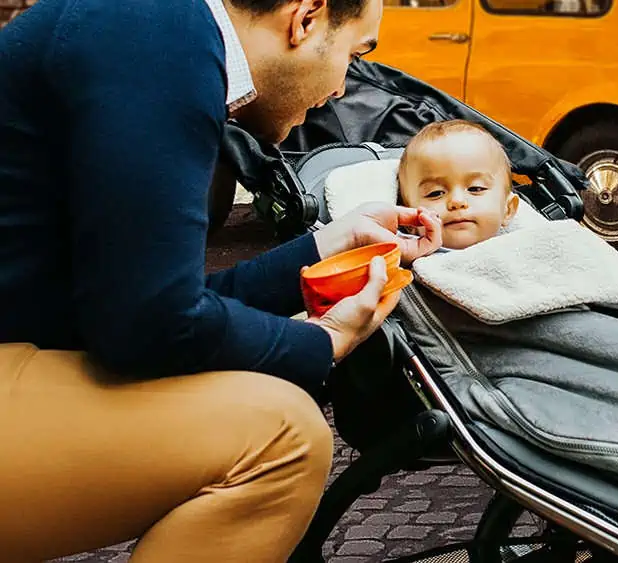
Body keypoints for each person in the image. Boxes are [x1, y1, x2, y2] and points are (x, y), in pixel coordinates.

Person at [0, 0, 443, 560]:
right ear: (306, 17)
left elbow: (148, 299)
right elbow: (148, 324)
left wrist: (324, 246)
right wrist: (322, 341)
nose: (340, 91)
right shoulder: (161, 41)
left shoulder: (148, 25)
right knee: (284, 438)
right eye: (354, 56)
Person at [397, 120, 520, 250]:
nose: (457, 201)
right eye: (436, 193)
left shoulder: (524, 252)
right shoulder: (398, 259)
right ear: (408, 220)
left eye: (476, 189)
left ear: (508, 209)